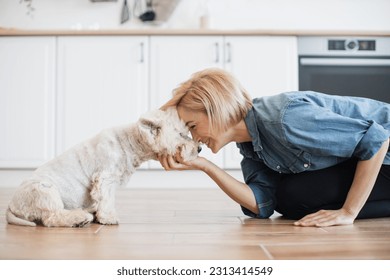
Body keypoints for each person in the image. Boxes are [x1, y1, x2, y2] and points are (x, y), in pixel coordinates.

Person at [159, 68, 390, 227]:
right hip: (372, 157)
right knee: (290, 201)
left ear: (215, 109)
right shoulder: (250, 145)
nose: (195, 138)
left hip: (384, 153)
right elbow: (262, 204)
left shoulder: (284, 120)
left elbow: (376, 139)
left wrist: (348, 212)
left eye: (193, 126)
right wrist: (204, 166)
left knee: (297, 193)